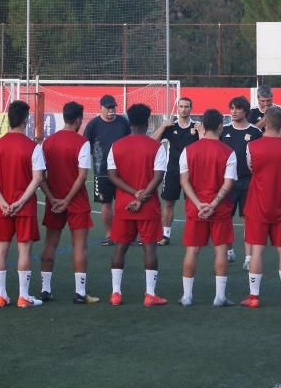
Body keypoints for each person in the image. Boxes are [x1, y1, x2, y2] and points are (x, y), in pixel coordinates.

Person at [106, 103, 168, 306]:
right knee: (149, 247)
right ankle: (150, 295)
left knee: (120, 247)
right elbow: (158, 176)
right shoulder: (156, 147)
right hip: (148, 205)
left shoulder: (117, 146)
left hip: (124, 205)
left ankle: (116, 294)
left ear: (129, 121)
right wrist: (141, 197)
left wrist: (132, 194)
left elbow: (112, 175)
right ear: (148, 121)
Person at [0, 100, 46, 308]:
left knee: (1, 249)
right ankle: (23, 296)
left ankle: (0, 296)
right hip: (25, 206)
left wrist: (3, 202)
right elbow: (38, 178)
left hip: (2, 207)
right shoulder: (33, 147)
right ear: (25, 120)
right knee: (24, 250)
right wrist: (20, 202)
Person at [39, 101, 99, 304]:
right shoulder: (81, 142)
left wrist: (52, 197)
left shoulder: (48, 142)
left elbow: (41, 175)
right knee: (79, 246)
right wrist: (66, 200)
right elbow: (82, 176)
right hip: (76, 201)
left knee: (50, 243)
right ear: (79, 120)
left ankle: (45, 289)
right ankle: (80, 293)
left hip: (53, 200)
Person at [177, 108, 237, 307]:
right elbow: (228, 184)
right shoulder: (228, 152)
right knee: (220, 250)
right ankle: (219, 297)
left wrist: (198, 204)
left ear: (202, 126)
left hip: (196, 209)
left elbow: (184, 182)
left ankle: (187, 296)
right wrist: (212, 205)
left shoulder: (189, 150)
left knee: (192, 251)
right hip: (219, 209)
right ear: (221, 126)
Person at [241, 107, 281, 309]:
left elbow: (251, 168)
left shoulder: (252, 146)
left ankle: (254, 297)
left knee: (257, 251)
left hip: (258, 204)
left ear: (265, 123)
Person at [221, 95, 263, 269]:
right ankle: (229, 251)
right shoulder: (223, 130)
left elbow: (260, 157)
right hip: (228, 183)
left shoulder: (255, 132)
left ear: (245, 111)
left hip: (248, 182)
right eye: (231, 108)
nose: (234, 111)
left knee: (248, 219)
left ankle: (248, 257)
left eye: (237, 108)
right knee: (225, 218)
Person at [84, 95, 131, 246]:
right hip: (102, 170)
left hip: (123, 170)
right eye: (108, 108)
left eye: (113, 107)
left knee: (125, 202)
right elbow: (86, 145)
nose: (111, 111)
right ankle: (110, 234)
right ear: (101, 108)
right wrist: (97, 156)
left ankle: (127, 233)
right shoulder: (93, 125)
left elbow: (130, 141)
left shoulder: (123, 122)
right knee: (106, 203)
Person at [153, 96, 199, 246]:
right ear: (177, 108)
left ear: (191, 109)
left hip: (192, 172)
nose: (184, 109)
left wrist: (201, 130)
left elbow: (206, 145)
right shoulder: (170, 126)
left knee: (192, 203)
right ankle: (166, 235)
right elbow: (152, 142)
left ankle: (194, 234)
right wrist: (163, 126)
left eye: (186, 106)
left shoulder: (196, 127)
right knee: (168, 202)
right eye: (181, 106)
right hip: (172, 170)